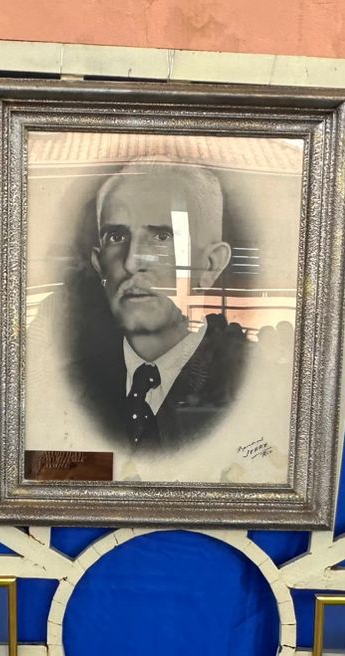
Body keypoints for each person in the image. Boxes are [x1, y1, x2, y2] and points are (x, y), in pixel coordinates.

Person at [38, 157, 256, 454]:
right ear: (99, 264)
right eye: (117, 236)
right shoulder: (67, 386)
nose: (131, 262)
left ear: (210, 265)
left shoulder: (253, 386)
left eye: (162, 236)